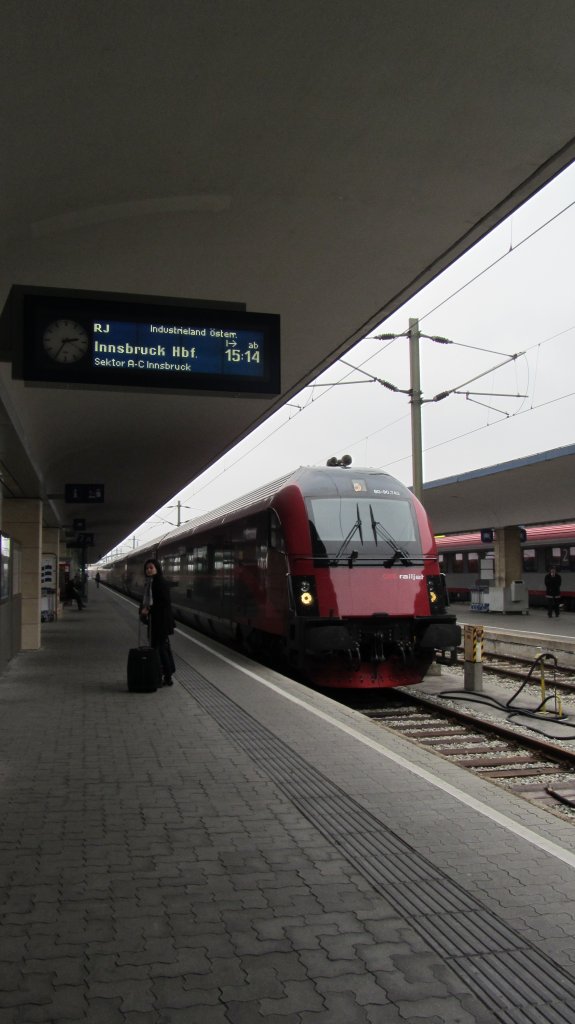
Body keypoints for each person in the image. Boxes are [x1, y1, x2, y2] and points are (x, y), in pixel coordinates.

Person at [139, 558, 176, 686]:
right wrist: (143, 611)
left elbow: (164, 603)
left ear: (157, 568)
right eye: (147, 568)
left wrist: (148, 609)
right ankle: (166, 675)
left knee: (159, 649)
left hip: (161, 622)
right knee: (161, 648)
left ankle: (163, 675)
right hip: (155, 622)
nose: (149, 570)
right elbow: (144, 601)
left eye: (151, 567)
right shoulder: (150, 582)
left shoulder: (160, 583)